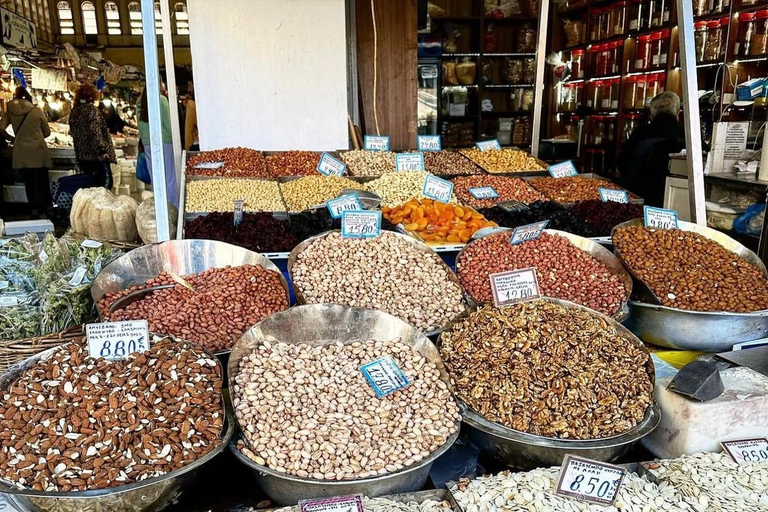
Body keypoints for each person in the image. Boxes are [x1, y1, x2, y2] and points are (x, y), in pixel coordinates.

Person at [617, 91, 686, 207]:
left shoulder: (640, 133)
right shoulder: (689, 135)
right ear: (678, 113)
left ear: (651, 114)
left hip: (640, 200)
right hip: (677, 202)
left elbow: (622, 165)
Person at [0, 87, 52, 218]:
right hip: (38, 151)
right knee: (41, 180)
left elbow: (1, 127)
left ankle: (33, 208)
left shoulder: (10, 111)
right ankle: (44, 208)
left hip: (21, 151)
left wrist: (11, 138)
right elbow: (47, 132)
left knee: (29, 181)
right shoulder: (36, 111)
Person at [136, 86, 179, 207]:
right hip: (165, 142)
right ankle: (173, 208)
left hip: (148, 144)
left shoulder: (139, 103)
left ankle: (160, 208)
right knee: (170, 178)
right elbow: (169, 125)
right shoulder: (162, 100)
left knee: (156, 177)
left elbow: (139, 125)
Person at [69, 83, 116, 189]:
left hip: (82, 156)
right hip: (96, 157)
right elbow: (95, 132)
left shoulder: (74, 112)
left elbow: (73, 131)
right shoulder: (92, 111)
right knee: (104, 186)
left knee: (89, 186)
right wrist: (103, 150)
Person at [184, 84, 198, 152]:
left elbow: (189, 128)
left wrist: (187, 147)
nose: (188, 90)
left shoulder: (191, 104)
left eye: (190, 86)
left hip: (195, 144)